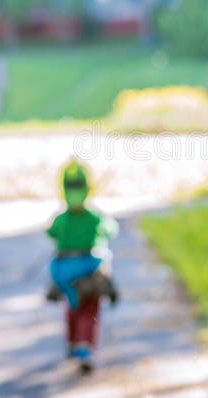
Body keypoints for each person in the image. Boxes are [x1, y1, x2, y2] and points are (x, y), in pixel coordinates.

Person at [46, 159, 118, 373]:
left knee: (72, 307)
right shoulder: (95, 216)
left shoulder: (62, 219)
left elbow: (50, 232)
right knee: (90, 308)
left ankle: (73, 342)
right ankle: (85, 347)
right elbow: (111, 229)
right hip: (90, 271)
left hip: (66, 272)